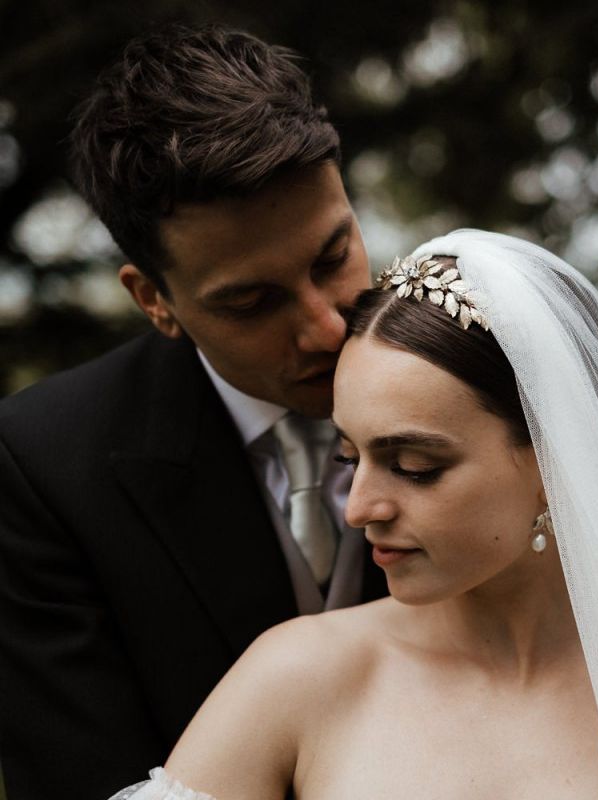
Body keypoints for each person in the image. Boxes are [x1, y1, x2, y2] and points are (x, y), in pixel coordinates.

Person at [110, 230, 598, 800]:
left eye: (415, 465)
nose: (359, 509)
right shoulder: (297, 678)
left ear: (557, 466)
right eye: (349, 456)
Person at [0, 24, 387, 800]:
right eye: (251, 302)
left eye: (333, 258)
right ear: (154, 300)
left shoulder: (492, 385)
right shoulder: (42, 464)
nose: (327, 328)